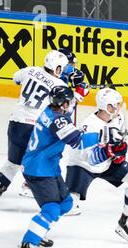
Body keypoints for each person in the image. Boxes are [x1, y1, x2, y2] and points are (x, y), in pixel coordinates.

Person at [15, 85, 100, 248]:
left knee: (66, 203)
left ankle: (39, 231)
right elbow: (77, 141)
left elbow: (68, 117)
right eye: (69, 103)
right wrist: (103, 135)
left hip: (47, 166)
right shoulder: (57, 120)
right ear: (63, 104)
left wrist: (78, 94)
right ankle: (27, 247)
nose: (71, 105)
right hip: (38, 169)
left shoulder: (52, 111)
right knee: (52, 208)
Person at [0, 50, 69, 209]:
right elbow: (66, 107)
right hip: (37, 128)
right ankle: (53, 199)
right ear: (57, 69)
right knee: (44, 162)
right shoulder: (59, 85)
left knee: (13, 162)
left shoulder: (30, 70)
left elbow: (16, 78)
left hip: (16, 122)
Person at [64, 88, 128, 244]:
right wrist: (109, 150)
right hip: (82, 166)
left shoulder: (119, 117)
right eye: (116, 104)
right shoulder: (90, 126)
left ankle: (126, 219)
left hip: (107, 164)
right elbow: (91, 159)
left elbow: (120, 146)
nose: (119, 107)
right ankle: (41, 231)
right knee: (67, 206)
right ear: (107, 106)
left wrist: (118, 152)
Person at [18, 47, 89, 198]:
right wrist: (79, 94)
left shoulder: (58, 76)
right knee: (48, 154)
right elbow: (63, 109)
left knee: (47, 154)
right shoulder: (57, 83)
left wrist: (75, 86)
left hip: (43, 122)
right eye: (69, 64)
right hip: (49, 125)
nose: (72, 68)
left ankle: (33, 183)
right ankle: (35, 185)